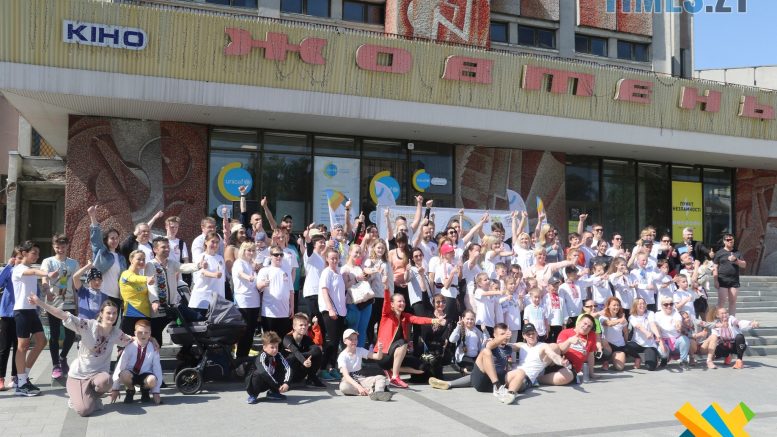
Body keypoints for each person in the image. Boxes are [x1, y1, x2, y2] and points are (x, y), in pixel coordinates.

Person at [28, 296, 133, 416]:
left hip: (97, 376)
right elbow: (63, 315)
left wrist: (148, 338)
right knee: (84, 411)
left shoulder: (116, 333)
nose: (112, 316)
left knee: (107, 380)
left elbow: (133, 339)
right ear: (101, 314)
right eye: (108, 313)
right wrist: (40, 302)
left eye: (114, 313)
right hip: (78, 376)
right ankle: (78, 398)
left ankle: (90, 397)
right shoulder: (88, 326)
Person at [428, 323, 525, 405]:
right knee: (486, 352)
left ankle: (509, 395)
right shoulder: (490, 342)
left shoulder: (508, 347)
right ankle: (497, 386)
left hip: (495, 383)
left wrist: (528, 340)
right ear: (495, 335)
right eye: (502, 334)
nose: (505, 336)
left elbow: (520, 345)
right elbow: (489, 345)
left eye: (506, 334)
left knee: (520, 372)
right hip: (483, 379)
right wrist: (503, 337)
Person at [13, 241, 58, 396]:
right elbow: (33, 272)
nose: (37, 256)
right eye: (34, 253)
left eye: (38, 253)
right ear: (24, 253)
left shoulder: (31, 270)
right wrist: (47, 274)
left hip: (32, 311)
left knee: (42, 341)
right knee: (23, 345)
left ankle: (22, 377)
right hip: (21, 311)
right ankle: (21, 383)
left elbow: (35, 281)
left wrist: (48, 292)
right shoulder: (19, 269)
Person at [375, 288, 444, 388]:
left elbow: (418, 319)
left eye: (403, 301)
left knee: (423, 368)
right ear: (392, 304)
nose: (402, 303)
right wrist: (386, 287)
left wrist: (436, 320)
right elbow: (386, 301)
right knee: (403, 342)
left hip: (396, 356)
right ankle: (395, 377)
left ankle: (391, 369)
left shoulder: (405, 316)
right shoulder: (387, 315)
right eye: (399, 301)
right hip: (383, 356)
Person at [40, 234, 79, 380]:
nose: (60, 250)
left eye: (63, 247)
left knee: (71, 334)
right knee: (54, 335)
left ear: (67, 246)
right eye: (57, 247)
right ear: (53, 246)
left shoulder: (73, 263)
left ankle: (63, 357)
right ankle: (55, 365)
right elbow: (44, 278)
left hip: (69, 303)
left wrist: (77, 304)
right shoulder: (48, 261)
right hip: (53, 303)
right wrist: (46, 291)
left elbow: (75, 284)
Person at [510, 323, 575, 394]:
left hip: (526, 378)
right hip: (515, 373)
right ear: (524, 335)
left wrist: (561, 361)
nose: (531, 336)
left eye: (533, 333)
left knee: (519, 376)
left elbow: (553, 355)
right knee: (513, 373)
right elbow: (507, 345)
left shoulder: (543, 346)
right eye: (528, 334)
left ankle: (510, 393)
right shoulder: (521, 346)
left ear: (536, 333)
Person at [111, 319, 162, 404]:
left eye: (146, 332)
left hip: (145, 374)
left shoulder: (153, 348)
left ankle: (145, 390)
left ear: (150, 333)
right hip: (131, 373)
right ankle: (130, 390)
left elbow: (157, 368)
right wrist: (115, 388)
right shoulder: (129, 346)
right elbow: (121, 365)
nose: (143, 335)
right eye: (140, 332)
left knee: (152, 380)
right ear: (135, 333)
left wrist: (156, 392)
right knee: (123, 374)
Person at [88, 205, 127, 314]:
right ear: (106, 240)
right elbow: (96, 239)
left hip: (117, 297)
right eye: (112, 238)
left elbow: (124, 279)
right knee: (99, 322)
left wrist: (124, 297)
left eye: (117, 238)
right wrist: (92, 216)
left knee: (112, 323)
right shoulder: (101, 252)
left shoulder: (121, 258)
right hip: (101, 294)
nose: (115, 240)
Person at [338, 329, 393, 401]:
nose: (354, 341)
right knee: (343, 387)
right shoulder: (342, 356)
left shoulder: (360, 350)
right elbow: (346, 376)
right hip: (349, 381)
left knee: (380, 377)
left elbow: (378, 357)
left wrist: (380, 350)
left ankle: (378, 392)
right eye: (351, 339)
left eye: (355, 339)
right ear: (344, 341)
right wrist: (359, 387)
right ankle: (372, 391)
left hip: (360, 378)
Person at [145, 237, 180, 346]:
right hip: (158, 309)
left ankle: (184, 352)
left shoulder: (172, 263)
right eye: (163, 247)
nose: (167, 249)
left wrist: (198, 266)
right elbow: (150, 285)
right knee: (156, 338)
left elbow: (183, 267)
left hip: (172, 307)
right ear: (155, 250)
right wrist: (154, 300)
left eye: (168, 247)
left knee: (184, 329)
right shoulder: (151, 265)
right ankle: (155, 355)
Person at [318, 248, 347, 380]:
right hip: (330, 311)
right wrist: (330, 309)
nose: (334, 260)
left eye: (336, 258)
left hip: (341, 311)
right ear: (327, 259)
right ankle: (323, 368)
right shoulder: (326, 272)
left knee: (336, 341)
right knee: (332, 341)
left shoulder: (339, 272)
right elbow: (324, 291)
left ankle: (332, 367)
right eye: (332, 258)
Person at [341, 245, 373, 348]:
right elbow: (344, 286)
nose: (358, 255)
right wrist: (356, 279)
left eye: (360, 253)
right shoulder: (344, 269)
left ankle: (359, 354)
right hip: (353, 303)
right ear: (350, 252)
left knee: (362, 330)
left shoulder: (359, 267)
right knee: (352, 330)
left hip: (365, 302)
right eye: (356, 252)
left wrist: (367, 277)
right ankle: (350, 353)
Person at [257, 245, 294, 337]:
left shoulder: (287, 271)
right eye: (276, 255)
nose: (279, 257)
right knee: (269, 340)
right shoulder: (264, 270)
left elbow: (291, 291)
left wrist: (292, 307)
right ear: (270, 256)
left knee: (282, 340)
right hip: (269, 313)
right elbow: (258, 287)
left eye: (281, 255)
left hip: (284, 312)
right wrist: (263, 284)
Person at [232, 242, 261, 358]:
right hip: (243, 301)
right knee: (244, 331)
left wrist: (256, 270)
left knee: (251, 332)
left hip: (254, 301)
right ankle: (240, 357)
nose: (251, 252)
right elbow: (240, 273)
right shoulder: (239, 262)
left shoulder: (251, 264)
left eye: (253, 250)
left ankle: (245, 357)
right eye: (249, 250)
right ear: (243, 251)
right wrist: (248, 277)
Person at [245, 331, 291, 404]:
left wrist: (286, 383)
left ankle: (273, 392)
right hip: (257, 382)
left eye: (276, 347)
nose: (275, 350)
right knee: (258, 373)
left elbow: (288, 368)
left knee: (282, 368)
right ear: (264, 347)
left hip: (270, 381)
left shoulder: (278, 355)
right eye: (272, 347)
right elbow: (264, 372)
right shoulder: (261, 356)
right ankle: (253, 395)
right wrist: (277, 386)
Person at [119, 250, 157, 336]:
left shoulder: (141, 277)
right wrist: (147, 278)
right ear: (131, 260)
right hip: (131, 314)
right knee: (126, 342)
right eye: (139, 259)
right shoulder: (126, 274)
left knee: (144, 342)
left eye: (143, 259)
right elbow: (133, 278)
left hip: (145, 315)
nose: (142, 261)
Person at [0, 248, 22, 391]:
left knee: (19, 348)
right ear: (14, 258)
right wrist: (8, 266)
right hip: (7, 314)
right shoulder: (9, 271)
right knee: (4, 347)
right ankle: (1, 378)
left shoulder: (27, 272)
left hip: (21, 314)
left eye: (23, 257)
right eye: (18, 257)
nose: (20, 260)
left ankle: (15, 377)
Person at [282, 313, 325, 387]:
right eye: (301, 325)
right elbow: (295, 351)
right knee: (292, 357)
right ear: (294, 327)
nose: (304, 327)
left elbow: (316, 351)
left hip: (300, 372)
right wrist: (303, 360)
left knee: (318, 351)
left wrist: (302, 356)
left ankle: (311, 378)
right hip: (285, 373)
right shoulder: (287, 338)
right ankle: (286, 383)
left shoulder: (306, 339)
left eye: (305, 325)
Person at [189, 231, 225, 317]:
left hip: (217, 301)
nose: (215, 245)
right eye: (212, 242)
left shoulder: (220, 258)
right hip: (202, 301)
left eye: (217, 242)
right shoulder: (201, 257)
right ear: (206, 242)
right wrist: (214, 275)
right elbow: (202, 272)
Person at [556, 314, 598, 381]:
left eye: (589, 326)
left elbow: (591, 355)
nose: (586, 327)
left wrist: (591, 373)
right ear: (578, 322)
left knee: (564, 378)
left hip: (573, 370)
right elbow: (560, 350)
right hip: (560, 364)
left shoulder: (592, 335)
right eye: (585, 323)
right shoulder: (566, 332)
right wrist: (569, 341)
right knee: (553, 347)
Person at [713, 233, 746, 315]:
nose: (730, 241)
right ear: (724, 241)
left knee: (733, 301)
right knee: (721, 302)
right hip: (722, 279)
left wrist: (736, 260)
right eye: (728, 240)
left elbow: (744, 265)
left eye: (732, 240)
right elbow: (715, 267)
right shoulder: (719, 253)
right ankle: (718, 318)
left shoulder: (737, 252)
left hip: (734, 280)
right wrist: (715, 280)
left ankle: (732, 320)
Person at [625, 298, 662, 370]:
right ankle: (638, 358)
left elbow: (652, 324)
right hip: (637, 343)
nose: (642, 305)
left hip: (649, 345)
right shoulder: (632, 317)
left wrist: (658, 335)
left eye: (644, 303)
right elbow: (639, 326)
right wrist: (647, 333)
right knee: (626, 347)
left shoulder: (650, 313)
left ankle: (654, 357)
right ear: (635, 306)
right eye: (640, 304)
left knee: (651, 367)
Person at [654, 296, 691, 369]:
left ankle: (683, 361)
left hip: (676, 340)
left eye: (671, 304)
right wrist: (661, 343)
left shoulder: (676, 313)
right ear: (661, 305)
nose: (669, 306)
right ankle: (664, 359)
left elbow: (678, 321)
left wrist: (678, 326)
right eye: (666, 304)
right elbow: (657, 329)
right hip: (663, 340)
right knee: (662, 352)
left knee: (684, 339)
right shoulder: (657, 315)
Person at [448, 309, 488, 374]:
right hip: (463, 357)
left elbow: (485, 342)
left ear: (474, 320)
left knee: (484, 367)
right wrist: (458, 327)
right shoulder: (460, 329)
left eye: (472, 319)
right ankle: (463, 370)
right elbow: (452, 340)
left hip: (475, 356)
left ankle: (467, 371)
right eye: (468, 319)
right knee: (474, 369)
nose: (470, 321)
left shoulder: (477, 331)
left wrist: (484, 331)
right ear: (463, 319)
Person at [599, 297, 629, 371]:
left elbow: (625, 332)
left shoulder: (622, 318)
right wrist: (620, 320)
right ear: (608, 306)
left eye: (618, 305)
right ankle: (605, 360)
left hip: (619, 345)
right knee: (604, 341)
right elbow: (608, 324)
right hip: (607, 345)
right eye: (614, 305)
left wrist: (625, 343)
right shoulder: (603, 317)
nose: (616, 307)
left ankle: (613, 358)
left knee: (619, 367)